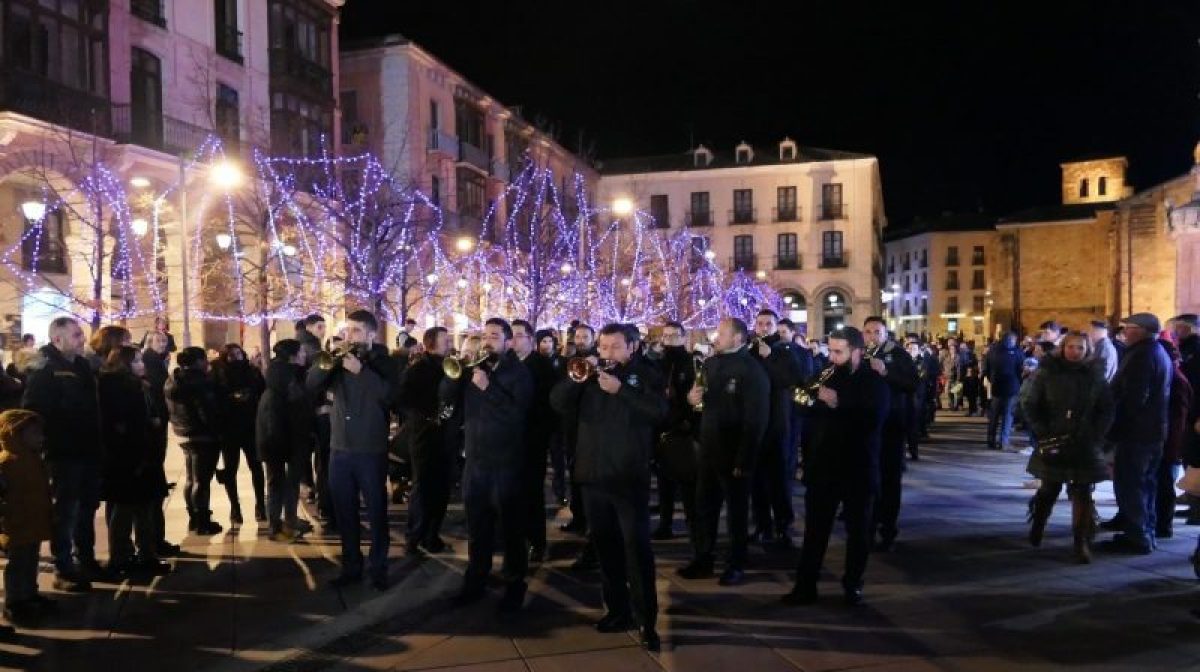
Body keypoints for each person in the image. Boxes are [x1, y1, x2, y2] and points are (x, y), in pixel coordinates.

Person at [550, 323, 667, 651]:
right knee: (606, 550)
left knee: (637, 552)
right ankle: (617, 611)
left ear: (632, 347)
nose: (608, 353)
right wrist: (577, 380)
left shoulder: (647, 374)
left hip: (628, 478)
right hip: (593, 476)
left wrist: (622, 391)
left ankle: (647, 621)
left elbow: (660, 412)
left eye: (615, 347)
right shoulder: (588, 373)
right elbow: (557, 402)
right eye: (603, 347)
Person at [782, 327, 890, 607]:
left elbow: (873, 420)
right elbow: (803, 403)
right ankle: (805, 586)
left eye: (838, 352)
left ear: (856, 352)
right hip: (823, 467)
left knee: (858, 531)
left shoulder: (873, 381)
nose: (832, 356)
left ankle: (853, 583)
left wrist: (837, 403)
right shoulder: (825, 374)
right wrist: (807, 400)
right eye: (830, 350)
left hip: (858, 467)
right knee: (815, 530)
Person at [446, 318, 534, 612]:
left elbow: (518, 415)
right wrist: (454, 376)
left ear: (508, 343)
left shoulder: (518, 372)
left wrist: (488, 389)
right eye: (484, 335)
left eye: (494, 336)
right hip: (476, 462)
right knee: (478, 527)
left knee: (511, 529)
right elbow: (448, 401)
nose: (487, 341)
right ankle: (476, 579)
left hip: (506, 464)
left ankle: (514, 585)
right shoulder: (475, 369)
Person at [308, 310, 399, 591]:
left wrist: (362, 373)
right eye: (346, 330)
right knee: (345, 512)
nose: (349, 336)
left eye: (356, 331)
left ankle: (379, 567)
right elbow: (310, 385)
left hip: (370, 450)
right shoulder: (336, 361)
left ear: (372, 334)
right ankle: (351, 566)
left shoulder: (385, 363)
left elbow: (391, 397)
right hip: (339, 450)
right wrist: (325, 364)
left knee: (376, 512)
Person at [679, 318, 769, 586]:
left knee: (736, 512)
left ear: (738, 339)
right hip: (708, 448)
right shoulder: (711, 362)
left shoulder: (751, 369)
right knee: (704, 507)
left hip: (734, 452)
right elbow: (702, 402)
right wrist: (692, 400)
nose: (715, 337)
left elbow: (756, 418)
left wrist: (745, 458)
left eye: (722, 333)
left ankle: (736, 562)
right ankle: (703, 558)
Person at [22, 317, 101, 592]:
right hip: (63, 452)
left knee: (87, 506)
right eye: (77, 335)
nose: (83, 340)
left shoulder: (81, 365)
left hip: (87, 448)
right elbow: (33, 412)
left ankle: (85, 557)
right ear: (58, 339)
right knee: (65, 511)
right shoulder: (44, 367)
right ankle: (63, 567)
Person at [1021, 332, 1115, 563]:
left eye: (1080, 348)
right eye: (1071, 347)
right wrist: (1043, 430)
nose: (1075, 351)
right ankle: (1038, 525)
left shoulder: (1095, 376)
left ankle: (1081, 542)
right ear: (1063, 348)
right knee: (1049, 489)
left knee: (1083, 493)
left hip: (1084, 442)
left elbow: (1106, 408)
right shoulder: (1046, 373)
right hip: (1054, 439)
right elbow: (1030, 403)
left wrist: (1096, 434)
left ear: (1087, 351)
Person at [1101, 313, 1172, 554]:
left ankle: (1137, 536)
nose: (1124, 332)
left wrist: (1113, 432)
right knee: (1146, 485)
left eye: (1127, 328)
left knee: (1131, 484)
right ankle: (1145, 532)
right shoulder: (1157, 352)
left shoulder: (1141, 356)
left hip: (1137, 433)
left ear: (1140, 330)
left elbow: (1132, 399)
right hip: (1152, 432)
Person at [99, 346, 170, 576]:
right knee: (125, 510)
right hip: (128, 458)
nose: (142, 364)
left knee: (144, 508)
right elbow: (121, 424)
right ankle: (121, 557)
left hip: (143, 454)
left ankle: (146, 555)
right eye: (137, 360)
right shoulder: (117, 387)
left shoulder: (138, 385)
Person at [748, 309, 805, 548]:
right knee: (757, 480)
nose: (763, 328)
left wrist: (769, 357)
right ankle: (762, 525)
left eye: (768, 324)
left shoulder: (784, 350)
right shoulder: (749, 351)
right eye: (759, 323)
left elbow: (790, 378)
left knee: (779, 479)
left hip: (777, 423)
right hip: (754, 423)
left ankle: (783, 525)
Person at [862, 316, 918, 552]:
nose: (872, 336)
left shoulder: (899, 356)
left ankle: (887, 529)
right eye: (868, 332)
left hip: (892, 426)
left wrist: (885, 372)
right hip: (867, 427)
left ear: (886, 333)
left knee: (890, 479)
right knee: (868, 479)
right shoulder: (861, 356)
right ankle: (869, 525)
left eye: (877, 331)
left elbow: (912, 383)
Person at [399, 327, 454, 555]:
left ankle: (432, 535)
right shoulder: (418, 369)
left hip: (445, 434)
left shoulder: (449, 366)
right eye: (446, 339)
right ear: (432, 343)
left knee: (442, 487)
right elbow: (404, 399)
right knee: (422, 486)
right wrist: (428, 415)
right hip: (423, 434)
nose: (450, 342)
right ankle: (414, 536)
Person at [0, 410, 53, 628]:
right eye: (34, 434)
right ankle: (15, 601)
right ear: (15, 434)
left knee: (31, 560)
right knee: (17, 564)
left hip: (33, 520)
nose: (40, 438)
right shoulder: (7, 462)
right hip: (16, 523)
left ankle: (29, 594)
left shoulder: (33, 459)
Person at [511, 320, 559, 563]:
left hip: (532, 440)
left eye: (520, 335)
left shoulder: (542, 366)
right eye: (513, 335)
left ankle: (536, 541)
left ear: (531, 340)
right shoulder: (506, 364)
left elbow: (547, 408)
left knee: (531, 493)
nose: (515, 340)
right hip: (509, 440)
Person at [165, 347, 226, 536]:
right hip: (202, 435)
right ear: (199, 361)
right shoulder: (199, 381)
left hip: (183, 432)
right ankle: (202, 521)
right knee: (201, 480)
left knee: (192, 478)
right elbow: (206, 410)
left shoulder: (173, 379)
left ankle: (193, 517)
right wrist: (217, 429)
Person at [257, 339, 312, 542]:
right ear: (292, 356)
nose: (305, 355)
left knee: (283, 483)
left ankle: (287, 520)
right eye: (302, 352)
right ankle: (277, 526)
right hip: (282, 441)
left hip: (285, 440)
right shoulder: (286, 381)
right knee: (279, 484)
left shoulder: (281, 376)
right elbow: (285, 415)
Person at [652, 321, 698, 540]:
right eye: (666, 336)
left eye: (673, 336)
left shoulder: (690, 361)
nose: (669, 340)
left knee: (687, 481)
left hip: (682, 428)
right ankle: (665, 522)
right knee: (664, 480)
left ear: (682, 337)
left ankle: (692, 523)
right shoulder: (659, 362)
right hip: (662, 426)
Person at [212, 344, 266, 526]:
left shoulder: (252, 371)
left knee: (256, 467)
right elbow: (214, 397)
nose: (236, 358)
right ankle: (235, 507)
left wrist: (250, 397)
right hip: (229, 428)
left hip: (250, 425)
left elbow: (261, 391)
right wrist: (230, 398)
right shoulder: (218, 373)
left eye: (238, 354)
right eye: (231, 355)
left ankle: (260, 505)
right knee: (230, 469)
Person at [141, 331, 177, 557]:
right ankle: (152, 543)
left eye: (165, 341)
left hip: (157, 424)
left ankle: (155, 541)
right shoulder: (151, 363)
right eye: (159, 341)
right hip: (152, 429)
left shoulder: (158, 361)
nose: (163, 345)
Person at [560, 323, 597, 535]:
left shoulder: (597, 361)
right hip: (571, 425)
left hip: (589, 427)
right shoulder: (569, 360)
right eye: (579, 336)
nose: (581, 340)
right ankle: (578, 517)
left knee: (585, 476)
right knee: (573, 473)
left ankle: (588, 520)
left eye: (585, 336)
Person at [1155, 339, 1192, 540]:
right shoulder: (1173, 377)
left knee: (1164, 484)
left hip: (1169, 442)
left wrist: (1173, 447)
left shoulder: (1177, 380)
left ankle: (1163, 525)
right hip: (1166, 440)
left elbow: (1179, 418)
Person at [536, 328, 568, 505]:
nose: (546, 345)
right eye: (543, 341)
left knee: (558, 460)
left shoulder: (561, 362)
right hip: (540, 417)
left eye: (549, 341)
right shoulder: (535, 362)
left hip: (556, 418)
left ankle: (560, 491)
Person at [983, 332, 1024, 451]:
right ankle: (1003, 442)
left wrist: (993, 380)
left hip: (996, 387)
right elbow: (1020, 370)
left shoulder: (992, 351)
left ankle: (990, 440)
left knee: (994, 416)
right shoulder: (1017, 352)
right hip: (1012, 387)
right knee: (1007, 416)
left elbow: (986, 369)